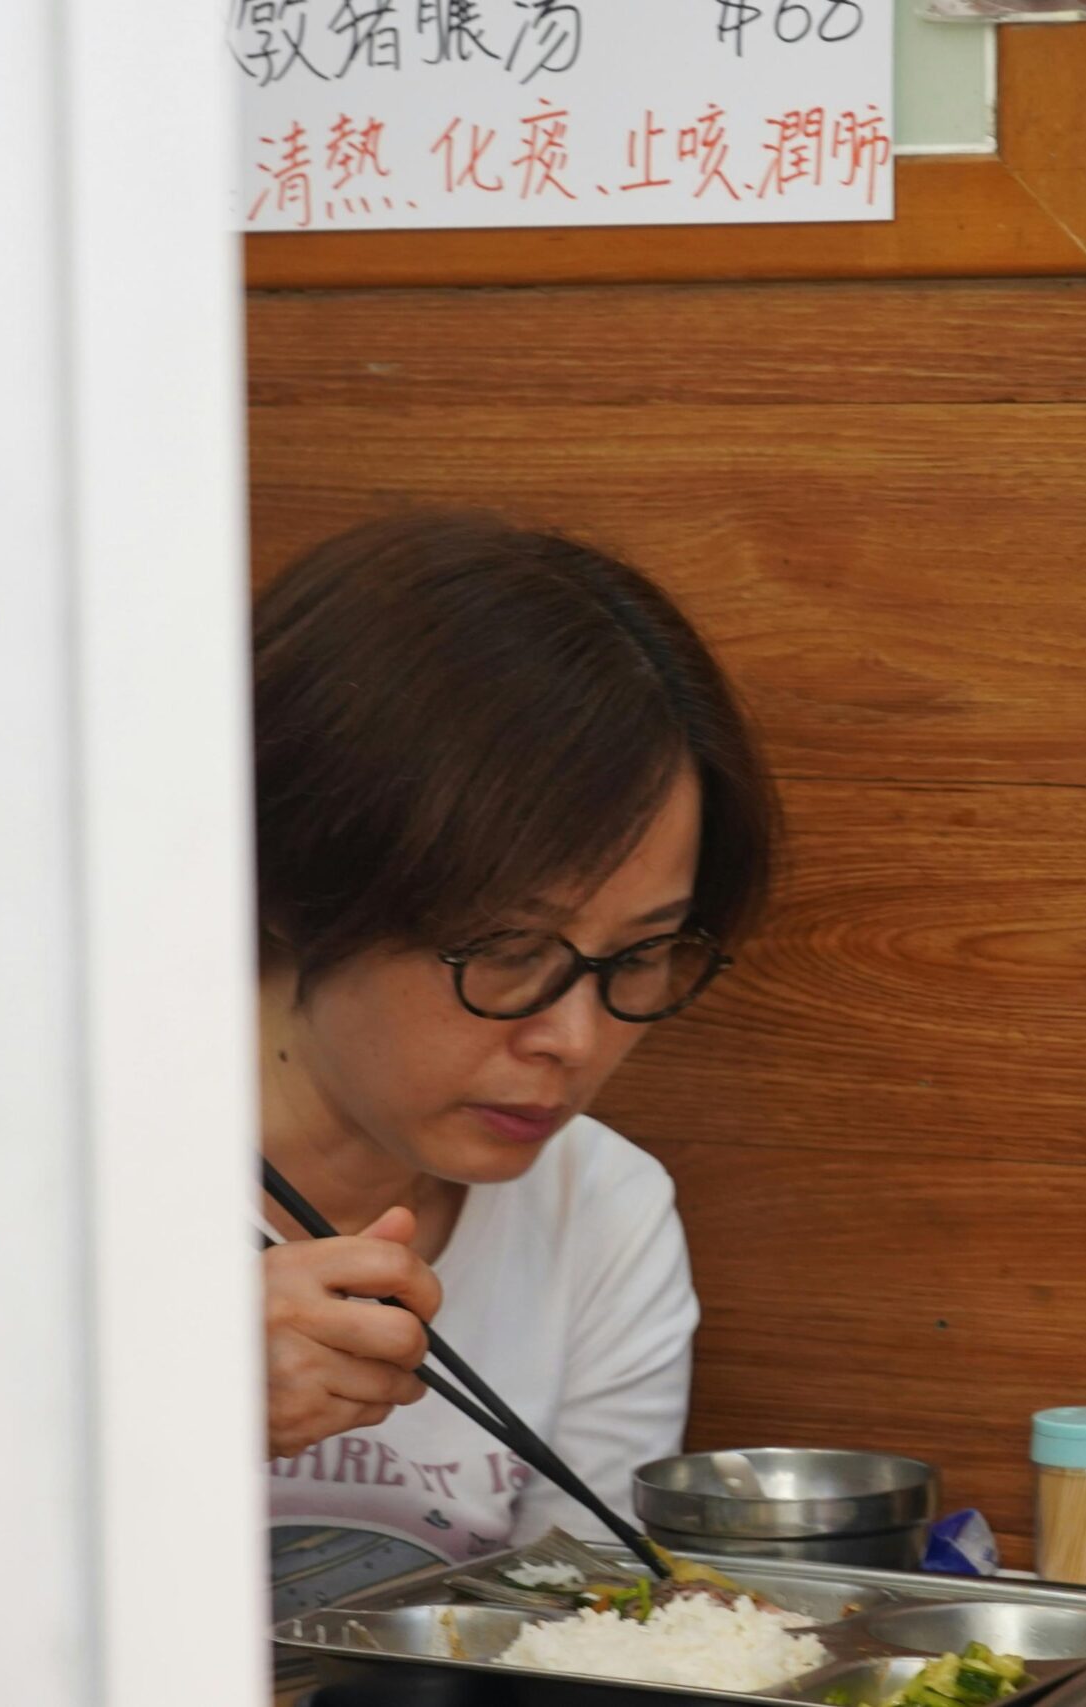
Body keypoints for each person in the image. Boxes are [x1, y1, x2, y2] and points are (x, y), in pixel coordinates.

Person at [255, 513, 775, 1611]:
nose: (575, 1040)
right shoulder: (15, 1175)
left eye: (637, 956)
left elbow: (573, 1640)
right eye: (506, 950)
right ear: (296, 881)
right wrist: (155, 1413)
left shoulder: (602, 1211)